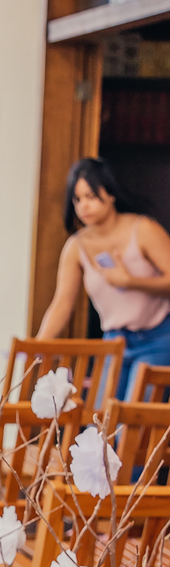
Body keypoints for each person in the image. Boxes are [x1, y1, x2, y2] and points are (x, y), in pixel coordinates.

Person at [38, 156, 170, 397]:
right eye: (77, 199)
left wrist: (129, 281)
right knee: (98, 427)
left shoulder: (143, 229)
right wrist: (37, 345)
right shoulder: (76, 247)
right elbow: (62, 302)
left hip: (157, 337)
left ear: (110, 194)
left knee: (134, 424)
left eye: (90, 196)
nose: (83, 206)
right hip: (114, 342)